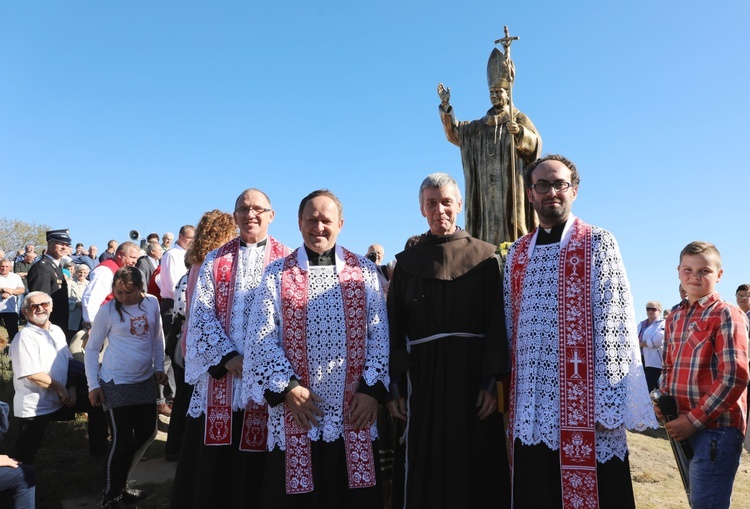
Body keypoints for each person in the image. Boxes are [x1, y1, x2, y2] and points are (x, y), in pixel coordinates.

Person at [503, 154, 656, 508]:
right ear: (530, 194)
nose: (551, 192)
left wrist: (607, 403)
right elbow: (511, 325)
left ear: (574, 190)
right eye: (542, 185)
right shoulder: (517, 253)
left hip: (584, 404)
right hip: (532, 404)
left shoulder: (598, 242)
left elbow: (614, 321)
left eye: (559, 184)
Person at [243, 189, 389, 509]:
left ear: (341, 223)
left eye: (326, 220)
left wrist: (370, 391)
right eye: (312, 220)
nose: (318, 227)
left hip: (353, 410)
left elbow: (380, 336)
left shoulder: (364, 271)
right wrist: (288, 389)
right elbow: (262, 339)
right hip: (297, 410)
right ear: (299, 223)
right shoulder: (277, 274)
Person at [386, 173, 509, 509]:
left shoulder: (485, 258)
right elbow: (393, 326)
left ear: (459, 204)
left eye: (445, 202)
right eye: (431, 203)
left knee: (473, 459)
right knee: (424, 457)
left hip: (471, 380)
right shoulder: (406, 263)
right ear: (421, 209)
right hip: (421, 379)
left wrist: (489, 382)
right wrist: (395, 385)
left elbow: (497, 323)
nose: (439, 209)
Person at [170, 191, 289, 509]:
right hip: (222, 378)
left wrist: (263, 363)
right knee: (214, 469)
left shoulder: (287, 261)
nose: (251, 214)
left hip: (266, 383)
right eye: (244, 209)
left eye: (258, 209)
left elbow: (293, 319)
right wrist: (228, 357)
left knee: (258, 467)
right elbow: (201, 314)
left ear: (271, 215)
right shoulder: (215, 259)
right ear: (235, 217)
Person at [655, 241, 749, 508]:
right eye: (688, 269)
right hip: (682, 424)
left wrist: (693, 421)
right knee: (697, 499)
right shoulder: (674, 317)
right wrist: (664, 401)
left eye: (704, 270)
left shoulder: (727, 314)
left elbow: (735, 376)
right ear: (678, 271)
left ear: (719, 275)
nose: (694, 276)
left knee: (708, 502)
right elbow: (668, 367)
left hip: (715, 429)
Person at [438, 43, 542, 247]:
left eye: (499, 91)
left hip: (511, 187)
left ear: (507, 93)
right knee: (486, 229)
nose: (494, 95)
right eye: (492, 92)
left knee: (513, 224)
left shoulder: (518, 118)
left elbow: (536, 145)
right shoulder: (478, 128)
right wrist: (446, 108)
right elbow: (456, 134)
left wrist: (520, 133)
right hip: (485, 193)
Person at [84, 266, 167, 509]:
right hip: (115, 381)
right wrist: (93, 385)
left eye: (128, 292)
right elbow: (91, 349)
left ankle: (118, 482)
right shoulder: (107, 310)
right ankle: (111, 495)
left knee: (146, 433)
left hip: (143, 381)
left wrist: (159, 366)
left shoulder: (151, 303)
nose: (123, 297)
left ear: (141, 288)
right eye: (118, 292)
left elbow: (157, 337)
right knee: (120, 439)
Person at [162, 209, 236, 463]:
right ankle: (188, 453)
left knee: (185, 397)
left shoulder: (195, 261)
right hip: (200, 341)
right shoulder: (211, 263)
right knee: (194, 401)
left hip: (189, 339)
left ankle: (175, 449)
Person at [9, 291, 108, 463]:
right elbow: (33, 374)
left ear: (51, 307)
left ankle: (99, 452)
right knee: (24, 452)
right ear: (25, 312)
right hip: (37, 404)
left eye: (44, 304)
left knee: (97, 403)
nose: (40, 309)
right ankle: (16, 480)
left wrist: (72, 388)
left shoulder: (56, 330)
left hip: (62, 396)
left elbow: (68, 363)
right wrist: (61, 388)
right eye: (34, 306)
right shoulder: (24, 337)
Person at [81, 241, 141, 328]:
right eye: (132, 257)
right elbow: (91, 298)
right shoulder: (105, 270)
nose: (135, 262)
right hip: (102, 324)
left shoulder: (119, 269)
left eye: (136, 258)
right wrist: (91, 324)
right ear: (120, 254)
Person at [26, 229, 72, 337]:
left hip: (58, 324)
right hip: (48, 327)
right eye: (60, 243)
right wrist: (44, 327)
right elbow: (39, 303)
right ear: (50, 243)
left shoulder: (56, 266)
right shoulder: (42, 267)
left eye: (67, 244)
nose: (64, 247)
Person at [638, 301, 665, 393]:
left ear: (659, 311)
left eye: (653, 309)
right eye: (648, 309)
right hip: (640, 360)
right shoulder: (641, 324)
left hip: (654, 362)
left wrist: (640, 344)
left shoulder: (663, 324)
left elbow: (658, 341)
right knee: (641, 386)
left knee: (651, 387)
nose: (650, 311)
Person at [0, 259, 25, 342]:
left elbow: (22, 289)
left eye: (6, 266)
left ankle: (14, 351)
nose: (4, 268)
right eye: (2, 266)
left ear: (10, 268)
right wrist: (4, 290)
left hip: (11, 309)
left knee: (13, 333)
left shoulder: (15, 277)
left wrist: (12, 292)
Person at [67, 264, 90, 333]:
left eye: (84, 273)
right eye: (80, 272)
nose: (82, 274)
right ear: (76, 272)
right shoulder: (69, 283)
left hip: (86, 317)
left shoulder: (90, 284)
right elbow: (65, 299)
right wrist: (75, 304)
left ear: (87, 273)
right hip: (73, 315)